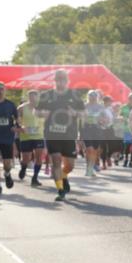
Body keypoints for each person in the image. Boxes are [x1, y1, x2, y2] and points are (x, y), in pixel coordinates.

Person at [37, 70, 85, 201]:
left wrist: (75, 113)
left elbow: (83, 113)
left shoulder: (74, 95)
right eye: (58, 79)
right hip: (52, 134)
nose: (61, 82)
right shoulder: (46, 95)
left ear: (67, 81)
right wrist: (42, 114)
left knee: (70, 165)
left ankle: (64, 176)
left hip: (69, 134)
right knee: (56, 161)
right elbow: (37, 111)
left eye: (63, 80)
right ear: (55, 80)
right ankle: (60, 190)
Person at [0, 82, 19, 196]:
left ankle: (7, 174)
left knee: (7, 164)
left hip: (7, 137)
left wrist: (16, 127)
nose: (0, 91)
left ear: (5, 91)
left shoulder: (11, 105)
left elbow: (17, 119)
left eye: (2, 89)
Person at [16, 89, 46, 187]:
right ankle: (24, 168)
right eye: (31, 96)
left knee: (38, 157)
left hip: (39, 136)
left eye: (35, 96)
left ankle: (35, 178)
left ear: (38, 97)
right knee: (26, 158)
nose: (33, 98)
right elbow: (17, 120)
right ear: (28, 97)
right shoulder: (21, 108)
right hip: (26, 136)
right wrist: (21, 126)